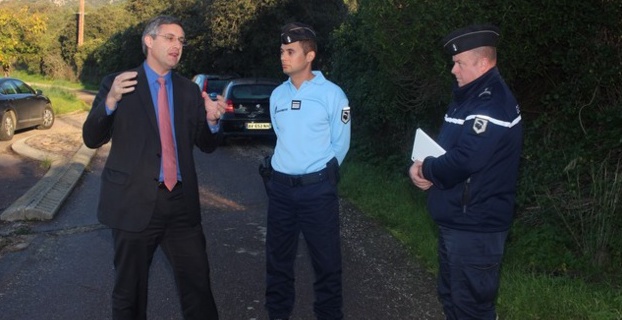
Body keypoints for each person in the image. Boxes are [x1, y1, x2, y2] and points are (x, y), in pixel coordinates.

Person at [82, 15, 225, 320]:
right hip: (133, 202)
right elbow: (92, 138)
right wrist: (110, 101)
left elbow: (206, 144)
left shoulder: (188, 91)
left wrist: (212, 122)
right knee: (129, 293)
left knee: (199, 289)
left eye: (181, 41)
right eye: (170, 38)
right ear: (149, 41)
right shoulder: (119, 83)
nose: (177, 46)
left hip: (181, 205)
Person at [409, 24, 523, 319]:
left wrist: (428, 169)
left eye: (458, 63)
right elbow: (445, 149)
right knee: (452, 298)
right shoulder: (467, 99)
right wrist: (421, 170)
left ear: (483, 63)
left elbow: (465, 160)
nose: (453, 70)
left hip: (476, 227)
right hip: (457, 221)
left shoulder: (491, 103)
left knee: (471, 307)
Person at [261, 22, 351, 320]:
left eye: (290, 51)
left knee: (326, 264)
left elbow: (341, 143)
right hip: (281, 191)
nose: (283, 56)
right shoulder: (277, 96)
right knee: (277, 262)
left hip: (317, 191)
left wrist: (323, 177)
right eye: (281, 51)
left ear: (309, 55)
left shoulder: (333, 95)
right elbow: (281, 136)